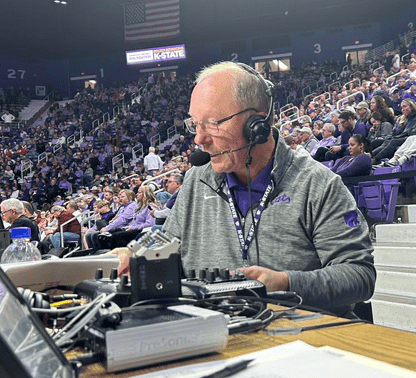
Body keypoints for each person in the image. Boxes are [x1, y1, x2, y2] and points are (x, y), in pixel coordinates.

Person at [155, 61, 375, 317]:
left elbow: (360, 276)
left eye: (213, 123)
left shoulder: (318, 184)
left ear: (256, 124)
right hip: (215, 340)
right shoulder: (195, 182)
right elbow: (165, 249)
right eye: (195, 124)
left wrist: (286, 283)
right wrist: (135, 256)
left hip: (302, 344)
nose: (199, 139)